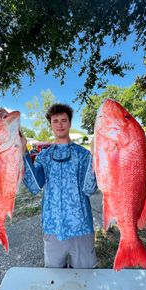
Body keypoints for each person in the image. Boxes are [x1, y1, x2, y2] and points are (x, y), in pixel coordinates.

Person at [22, 103, 98, 268]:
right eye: (55, 121)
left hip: (82, 227)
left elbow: (89, 189)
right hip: (53, 227)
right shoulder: (44, 156)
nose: (60, 124)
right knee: (55, 282)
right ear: (50, 124)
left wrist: (95, 155)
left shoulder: (84, 155)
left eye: (64, 120)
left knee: (85, 281)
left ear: (70, 123)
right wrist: (23, 153)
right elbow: (34, 186)